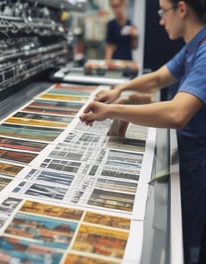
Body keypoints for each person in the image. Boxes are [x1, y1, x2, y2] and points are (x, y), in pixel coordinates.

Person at [80, 0, 206, 263]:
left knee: (190, 242)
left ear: (182, 9)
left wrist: (111, 111)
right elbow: (160, 77)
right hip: (188, 155)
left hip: (199, 166)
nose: (161, 20)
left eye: (163, 11)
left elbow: (177, 113)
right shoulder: (195, 45)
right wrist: (120, 91)